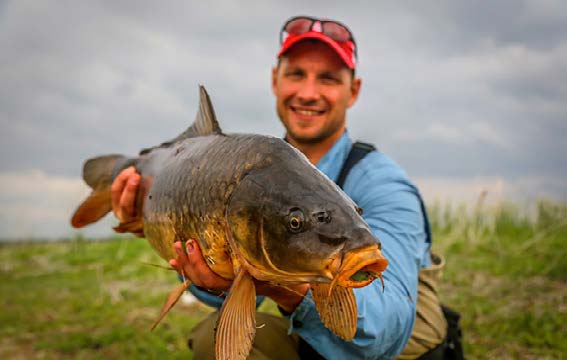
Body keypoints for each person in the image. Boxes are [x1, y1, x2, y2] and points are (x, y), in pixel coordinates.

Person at [111, 16, 450, 359]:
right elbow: (235, 292)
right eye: (296, 74)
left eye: (328, 78)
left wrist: (290, 289)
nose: (308, 92)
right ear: (275, 80)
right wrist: (158, 229)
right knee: (212, 341)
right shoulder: (256, 174)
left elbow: (388, 332)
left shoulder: (385, 184)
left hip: (398, 354)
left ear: (354, 90)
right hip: (312, 340)